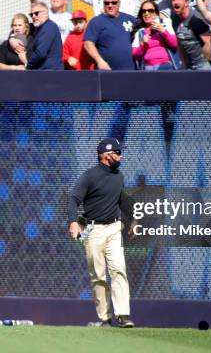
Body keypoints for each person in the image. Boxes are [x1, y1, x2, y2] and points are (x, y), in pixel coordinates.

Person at [68, 138, 135, 328]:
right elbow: (73, 198)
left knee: (119, 269)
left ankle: (122, 315)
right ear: (106, 155)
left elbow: (121, 200)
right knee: (98, 274)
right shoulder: (90, 176)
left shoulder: (119, 176)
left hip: (114, 227)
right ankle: (105, 318)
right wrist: (73, 222)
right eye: (117, 152)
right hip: (93, 229)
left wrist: (134, 219)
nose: (120, 156)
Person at [84, 0, 136, 70]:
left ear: (119, 3)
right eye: (107, 3)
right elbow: (88, 43)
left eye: (114, 2)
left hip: (131, 71)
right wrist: (100, 61)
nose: (110, 5)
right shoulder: (96, 21)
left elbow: (144, 26)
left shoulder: (130, 19)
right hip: (107, 71)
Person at [171, 0, 211, 70]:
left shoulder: (196, 20)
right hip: (188, 65)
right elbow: (179, 43)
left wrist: (204, 63)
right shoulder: (175, 19)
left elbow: (208, 43)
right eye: (173, 0)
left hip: (202, 64)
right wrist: (185, 64)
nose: (176, 2)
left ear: (186, 3)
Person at [131, 1, 178, 70]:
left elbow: (174, 44)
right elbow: (135, 55)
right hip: (148, 68)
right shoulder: (140, 32)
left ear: (156, 13)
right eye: (144, 11)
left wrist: (163, 31)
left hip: (165, 66)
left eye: (150, 10)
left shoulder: (165, 26)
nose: (146, 13)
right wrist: (142, 44)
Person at [24, 2, 63, 70]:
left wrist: (27, 65)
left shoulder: (49, 27)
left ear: (45, 14)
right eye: (31, 14)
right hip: (43, 72)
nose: (33, 16)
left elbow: (40, 53)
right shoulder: (39, 28)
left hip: (50, 73)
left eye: (36, 13)